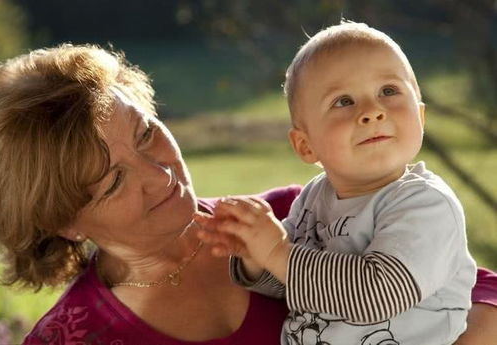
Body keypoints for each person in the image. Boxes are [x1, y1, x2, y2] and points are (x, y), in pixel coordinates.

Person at [0, 44, 494, 345]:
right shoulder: (71, 338)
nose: (159, 172)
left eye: (147, 133)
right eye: (115, 180)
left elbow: (477, 287)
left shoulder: (298, 217)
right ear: (62, 219)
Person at [194, 22, 484, 345]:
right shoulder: (314, 199)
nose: (372, 112)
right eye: (343, 101)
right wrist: (255, 254)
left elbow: (378, 295)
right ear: (306, 146)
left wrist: (277, 251)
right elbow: (292, 281)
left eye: (388, 91)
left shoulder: (426, 205)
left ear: (421, 117)